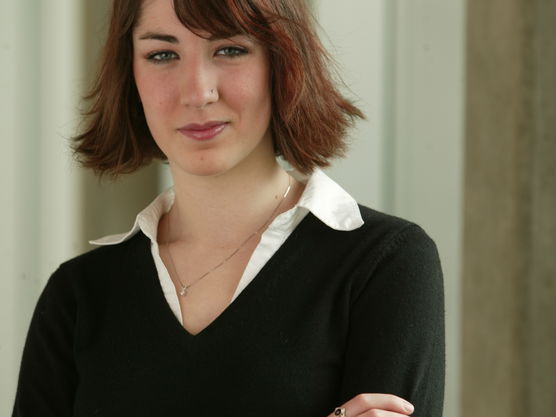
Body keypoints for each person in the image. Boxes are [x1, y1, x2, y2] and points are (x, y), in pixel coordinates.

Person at [12, 0, 445, 416]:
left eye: (230, 49)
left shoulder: (383, 265)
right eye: (162, 54)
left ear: (283, 60)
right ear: (130, 75)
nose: (198, 92)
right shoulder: (80, 294)